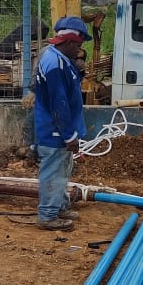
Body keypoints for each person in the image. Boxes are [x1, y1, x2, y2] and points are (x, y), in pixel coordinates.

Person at [32, 16, 91, 231]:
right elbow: (60, 104)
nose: (79, 49)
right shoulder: (55, 63)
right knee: (54, 172)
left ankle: (59, 207)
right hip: (55, 131)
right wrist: (69, 135)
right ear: (68, 41)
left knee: (63, 169)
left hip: (59, 130)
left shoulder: (57, 58)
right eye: (78, 45)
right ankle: (48, 215)